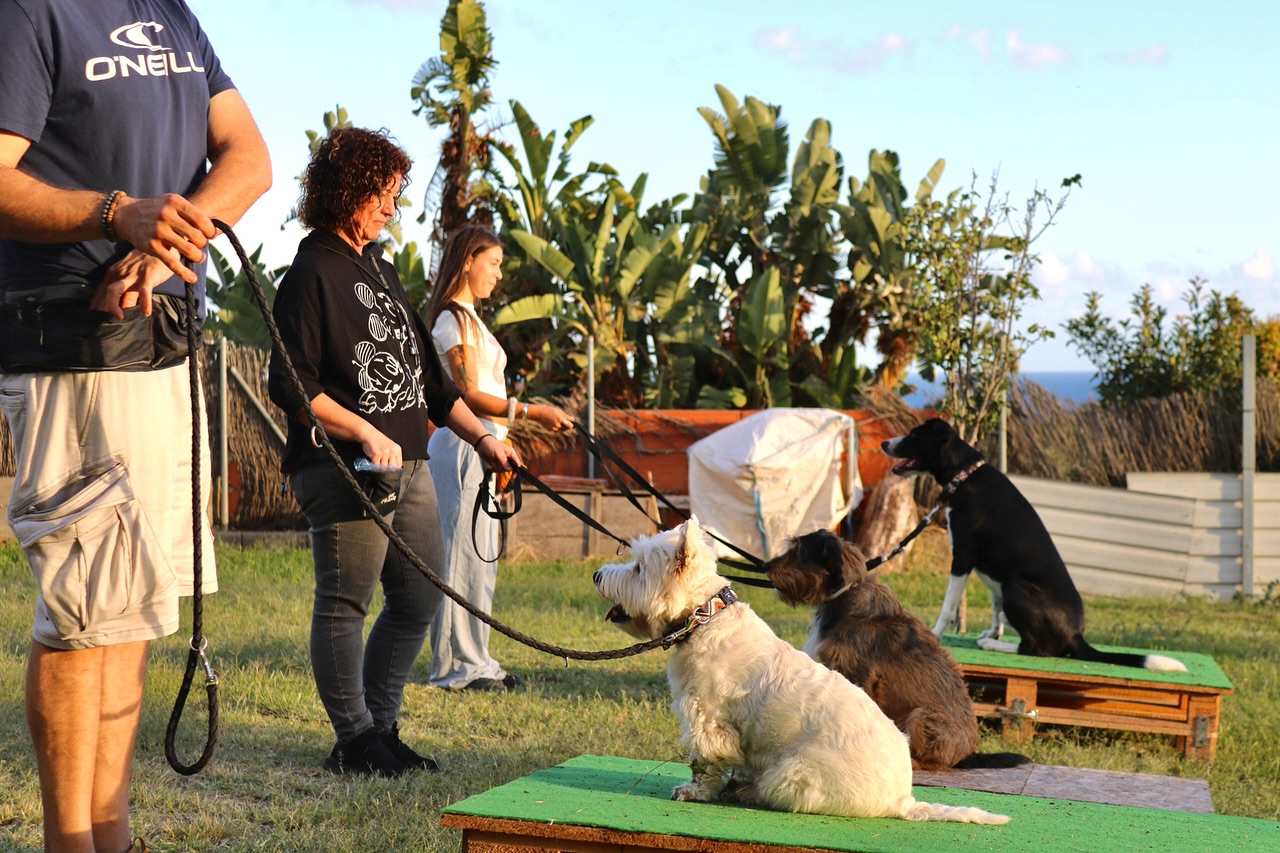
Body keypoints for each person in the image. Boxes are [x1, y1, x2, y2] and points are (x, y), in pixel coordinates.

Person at [0, 2, 271, 850]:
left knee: (135, 606)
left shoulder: (172, 14)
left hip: (158, 340)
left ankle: (109, 830)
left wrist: (164, 248)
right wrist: (114, 213)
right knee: (83, 611)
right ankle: (67, 840)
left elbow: (249, 158)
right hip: (67, 339)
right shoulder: (32, 9)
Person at [267, 128, 519, 777]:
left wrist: (486, 439)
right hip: (344, 467)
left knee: (417, 597)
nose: (390, 208)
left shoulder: (377, 266)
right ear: (348, 191)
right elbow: (291, 383)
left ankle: (381, 727)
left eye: (394, 196)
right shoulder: (311, 270)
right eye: (382, 195)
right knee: (345, 600)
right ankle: (353, 739)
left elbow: (433, 385)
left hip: (408, 463)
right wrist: (360, 428)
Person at [424, 225, 574, 691]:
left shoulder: (472, 321)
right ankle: (454, 669)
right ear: (468, 261)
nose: (498, 274)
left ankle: (479, 660)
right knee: (459, 557)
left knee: (480, 560)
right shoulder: (452, 321)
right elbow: (465, 392)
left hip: (487, 452)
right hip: (463, 447)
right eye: (493, 264)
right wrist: (530, 411)